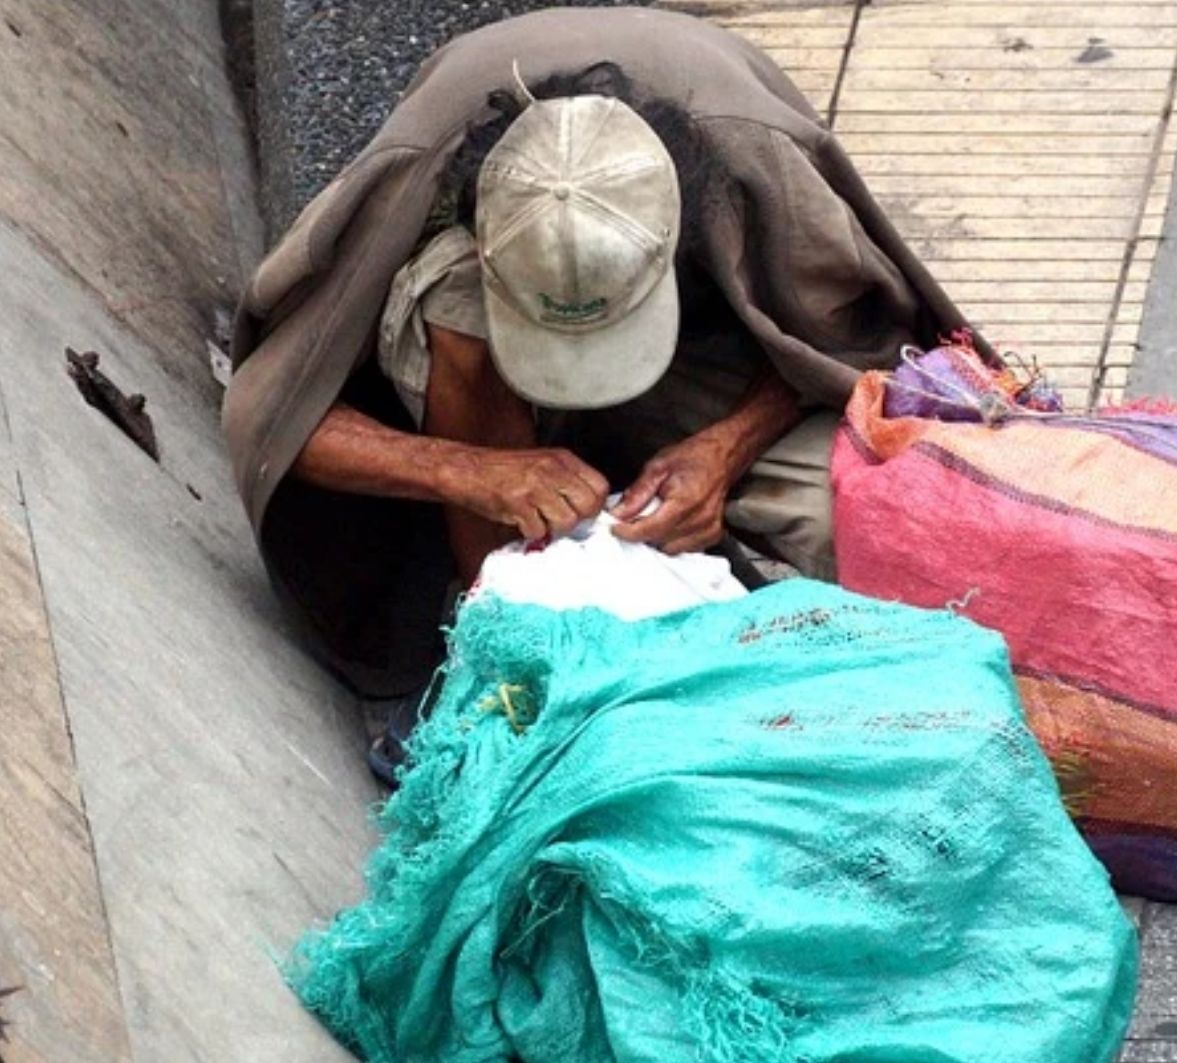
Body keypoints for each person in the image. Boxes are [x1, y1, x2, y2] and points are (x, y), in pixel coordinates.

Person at [223, 7, 974, 710]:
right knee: (452, 306)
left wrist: (724, 446)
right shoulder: (418, 169)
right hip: (480, 364)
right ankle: (502, 638)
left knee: (848, 512)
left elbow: (857, 336)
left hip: (712, 358)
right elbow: (278, 415)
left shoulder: (750, 155)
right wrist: (467, 469)